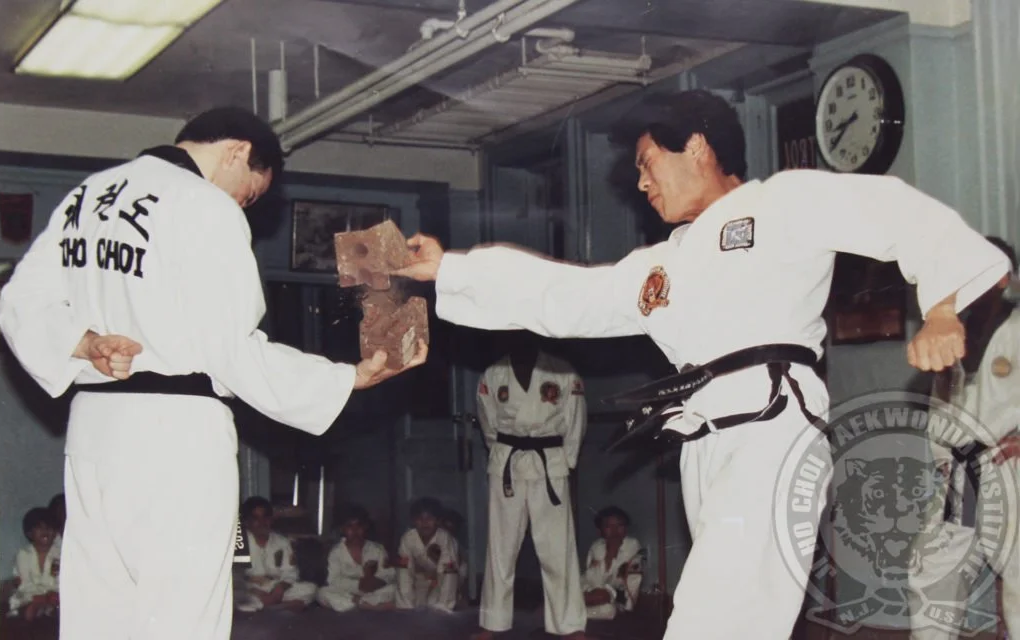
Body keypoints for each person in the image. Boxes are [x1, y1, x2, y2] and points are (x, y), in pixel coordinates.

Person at [393, 89, 1011, 639]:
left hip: (770, 425)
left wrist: (943, 307)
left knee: (712, 618)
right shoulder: (667, 263)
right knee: (739, 617)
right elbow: (568, 295)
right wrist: (451, 269)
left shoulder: (782, 201)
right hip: (705, 437)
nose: (640, 182)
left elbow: (896, 213)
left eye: (646, 162)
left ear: (695, 146)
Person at [0, 106, 425, 640]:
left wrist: (81, 343)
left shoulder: (90, 195)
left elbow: (16, 299)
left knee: (100, 610)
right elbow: (231, 348)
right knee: (183, 611)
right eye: (249, 191)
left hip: (93, 428)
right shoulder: (206, 206)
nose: (242, 201)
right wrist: (344, 378)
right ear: (238, 151)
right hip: (178, 432)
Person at [907, 238, 1020, 640]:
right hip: (959, 470)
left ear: (1003, 276)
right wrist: (940, 453)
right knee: (933, 568)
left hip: (1007, 468)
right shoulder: (951, 332)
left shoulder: (1017, 328)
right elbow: (942, 404)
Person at [471, 331, 589, 639]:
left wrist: (569, 461)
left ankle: (569, 625)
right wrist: (500, 453)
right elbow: (488, 422)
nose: (519, 341)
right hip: (507, 461)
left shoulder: (562, 371)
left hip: (549, 461)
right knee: (501, 546)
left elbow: (575, 418)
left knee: (557, 547)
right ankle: (491, 623)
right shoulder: (494, 373)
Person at [234, 496, 317, 613]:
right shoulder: (240, 543)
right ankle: (283, 606)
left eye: (265, 518)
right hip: (251, 589)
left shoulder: (282, 541)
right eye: (256, 518)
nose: (262, 523)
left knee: (310, 588)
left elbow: (291, 572)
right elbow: (236, 576)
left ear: (271, 519)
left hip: (275, 588)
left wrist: (280, 588)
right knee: (236, 596)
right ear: (247, 521)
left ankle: (267, 606)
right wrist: (253, 590)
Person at [317, 506, 397, 612]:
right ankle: (366, 605)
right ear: (343, 529)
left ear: (365, 527)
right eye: (350, 526)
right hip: (349, 592)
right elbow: (333, 580)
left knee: (394, 589)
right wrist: (358, 585)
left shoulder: (377, 549)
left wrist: (374, 581)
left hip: (373, 591)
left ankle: (356, 604)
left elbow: (388, 574)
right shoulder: (336, 552)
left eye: (359, 526)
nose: (355, 531)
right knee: (323, 592)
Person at [394, 497, 461, 613]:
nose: (425, 523)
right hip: (423, 578)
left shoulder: (445, 539)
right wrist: (405, 608)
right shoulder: (408, 539)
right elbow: (404, 573)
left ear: (438, 521)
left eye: (430, 518)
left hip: (448, 578)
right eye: (420, 519)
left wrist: (444, 608)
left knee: (434, 605)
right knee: (416, 605)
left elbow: (449, 576)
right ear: (413, 521)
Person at [582, 506, 643, 621]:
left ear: (626, 528)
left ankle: (570, 612)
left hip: (612, 598)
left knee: (608, 610)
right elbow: (592, 579)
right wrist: (608, 556)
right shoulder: (597, 547)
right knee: (598, 595)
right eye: (608, 526)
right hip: (590, 590)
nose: (615, 531)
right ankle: (571, 609)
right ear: (600, 531)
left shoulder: (632, 546)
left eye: (620, 525)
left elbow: (633, 582)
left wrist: (627, 609)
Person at [8, 507, 61, 622]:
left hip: (53, 594)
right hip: (30, 595)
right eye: (39, 527)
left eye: (49, 527)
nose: (45, 530)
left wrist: (51, 594)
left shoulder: (60, 553)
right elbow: (25, 583)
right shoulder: (23, 554)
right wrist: (40, 597)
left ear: (56, 532)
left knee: (59, 604)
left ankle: (49, 612)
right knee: (28, 609)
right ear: (30, 533)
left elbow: (61, 580)